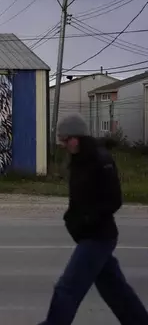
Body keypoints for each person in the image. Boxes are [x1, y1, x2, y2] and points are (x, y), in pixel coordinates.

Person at [39, 114, 148, 325]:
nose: (62, 145)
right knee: (116, 290)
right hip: (87, 235)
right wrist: (71, 218)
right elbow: (79, 199)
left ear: (77, 137)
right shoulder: (79, 161)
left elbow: (114, 200)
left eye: (65, 139)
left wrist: (88, 220)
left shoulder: (101, 160)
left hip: (99, 236)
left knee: (67, 287)